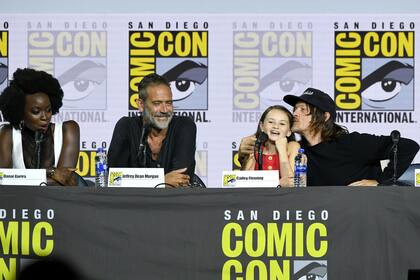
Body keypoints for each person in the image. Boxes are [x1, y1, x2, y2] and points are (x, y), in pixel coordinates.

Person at [239, 87, 419, 186]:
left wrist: (379, 183)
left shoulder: (349, 143)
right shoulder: (297, 151)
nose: (295, 113)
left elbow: (407, 146)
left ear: (324, 117)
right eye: (295, 109)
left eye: (303, 109)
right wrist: (245, 152)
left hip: (362, 223)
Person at [108, 73, 196, 188]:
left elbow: (180, 180)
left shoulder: (184, 126)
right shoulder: (126, 126)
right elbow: (114, 180)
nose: (165, 110)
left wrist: (136, 182)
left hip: (174, 203)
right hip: (133, 204)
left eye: (169, 103)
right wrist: (162, 181)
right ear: (141, 104)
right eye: (157, 103)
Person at [0, 68, 80, 186]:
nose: (45, 117)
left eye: (48, 110)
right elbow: (2, 181)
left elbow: (65, 181)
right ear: (20, 112)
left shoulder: (68, 130)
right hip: (20, 203)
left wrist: (19, 179)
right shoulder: (8, 133)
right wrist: (51, 173)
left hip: (57, 202)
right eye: (36, 111)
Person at [241, 105, 301, 187]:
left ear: (289, 131)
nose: (276, 126)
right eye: (271, 122)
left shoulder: (293, 146)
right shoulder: (254, 147)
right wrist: (278, 183)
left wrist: (282, 151)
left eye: (282, 124)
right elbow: (243, 183)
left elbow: (291, 184)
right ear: (262, 126)